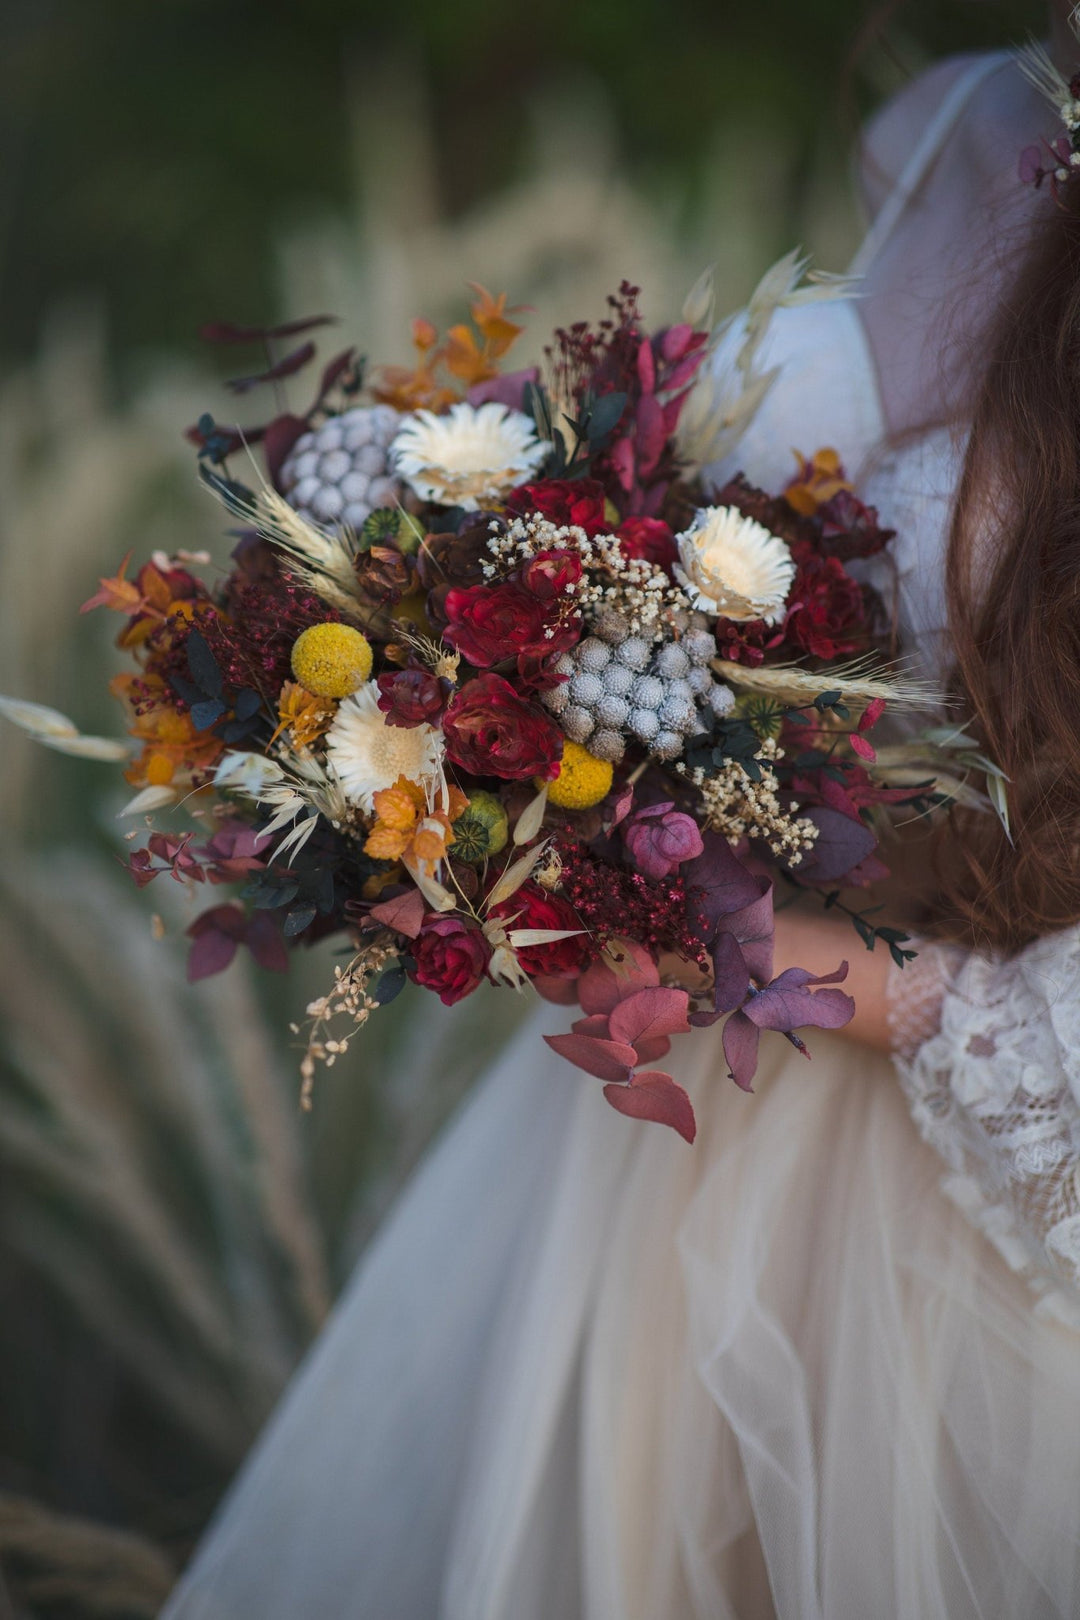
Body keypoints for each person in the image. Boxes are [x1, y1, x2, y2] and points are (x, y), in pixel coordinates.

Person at [162, 14, 1080, 1618]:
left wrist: (785, 957)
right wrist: (464, 731)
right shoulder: (970, 121)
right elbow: (772, 552)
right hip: (673, 1148)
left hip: (949, 1230)